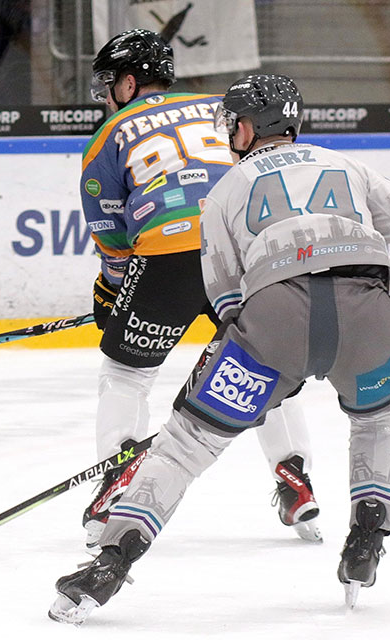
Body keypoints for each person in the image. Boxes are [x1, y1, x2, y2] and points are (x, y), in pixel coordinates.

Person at [49, 74, 390, 625]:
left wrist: (266, 365)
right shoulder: (349, 166)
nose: (229, 132)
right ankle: (368, 535)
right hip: (369, 319)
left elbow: (229, 303)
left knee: (183, 444)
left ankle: (108, 564)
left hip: (274, 323)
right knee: (381, 421)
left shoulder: (224, 189)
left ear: (251, 127)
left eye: (234, 122)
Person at [79, 29, 319, 550]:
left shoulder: (109, 134)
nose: (104, 97)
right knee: (260, 367)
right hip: (240, 251)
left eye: (107, 86)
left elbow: (113, 233)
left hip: (168, 256)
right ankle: (294, 476)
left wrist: (112, 289)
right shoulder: (224, 108)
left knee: (126, 371)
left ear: (127, 81)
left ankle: (119, 480)